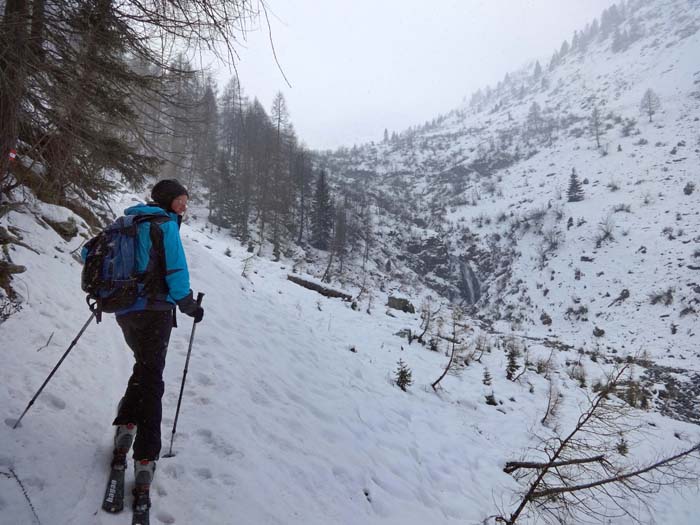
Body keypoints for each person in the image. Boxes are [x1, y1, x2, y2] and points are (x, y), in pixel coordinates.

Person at [110, 179, 204, 500]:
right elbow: (176, 273)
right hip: (155, 313)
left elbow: (88, 252)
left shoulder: (128, 220)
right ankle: (145, 455)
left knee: (145, 368)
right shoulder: (165, 226)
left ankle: (125, 425)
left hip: (125, 311)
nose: (184, 206)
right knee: (153, 381)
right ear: (167, 199)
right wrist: (190, 305)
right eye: (181, 200)